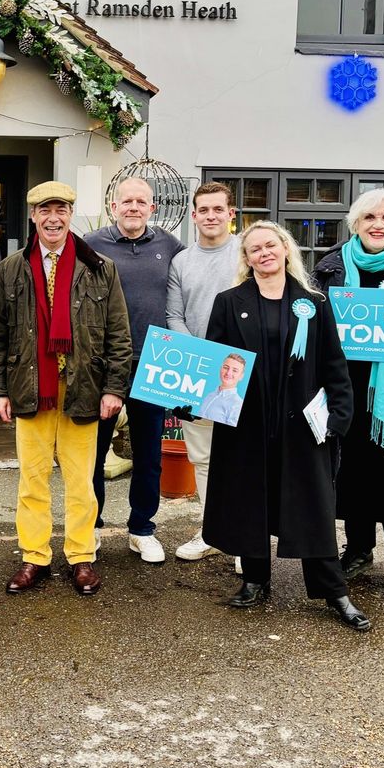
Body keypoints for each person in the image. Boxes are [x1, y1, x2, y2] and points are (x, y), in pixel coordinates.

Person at [203, 220, 370, 631]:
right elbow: (213, 361)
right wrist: (198, 399)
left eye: (270, 245)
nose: (264, 253)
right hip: (248, 424)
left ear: (285, 249)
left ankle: (334, 591)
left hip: (304, 425)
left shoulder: (313, 302)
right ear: (246, 259)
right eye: (254, 249)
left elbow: (334, 364)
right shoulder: (229, 302)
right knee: (250, 501)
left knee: (313, 508)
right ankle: (255, 580)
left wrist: (339, 417)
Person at [0, 182, 131, 596]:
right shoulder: (10, 269)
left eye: (61, 210)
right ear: (33, 216)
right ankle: (34, 558)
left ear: (71, 214)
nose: (53, 218)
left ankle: (81, 557)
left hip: (83, 388)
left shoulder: (100, 266)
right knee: (32, 480)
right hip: (29, 387)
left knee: (81, 480)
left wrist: (114, 389)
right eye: (45, 210)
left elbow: (119, 334)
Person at [315, 188, 384, 606]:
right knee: (352, 473)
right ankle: (358, 550)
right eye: (369, 218)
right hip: (346, 390)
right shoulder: (330, 267)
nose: (378, 224)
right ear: (355, 224)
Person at [85, 177, 184, 563]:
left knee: (148, 454)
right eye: (127, 201)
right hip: (102, 364)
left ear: (152, 209)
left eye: (141, 202)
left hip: (153, 363)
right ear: (114, 206)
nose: (133, 207)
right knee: (92, 452)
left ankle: (142, 528)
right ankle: (89, 526)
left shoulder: (170, 247)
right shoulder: (91, 244)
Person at [165, 182, 241, 561]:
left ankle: (244, 539)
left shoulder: (247, 253)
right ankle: (212, 530)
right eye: (203, 210)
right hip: (198, 373)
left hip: (243, 374)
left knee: (244, 457)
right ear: (193, 216)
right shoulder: (181, 262)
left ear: (231, 214)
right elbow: (173, 316)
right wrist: (202, 359)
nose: (210, 216)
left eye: (218, 210)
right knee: (204, 458)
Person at [199, 354, 246, 425]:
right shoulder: (210, 395)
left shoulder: (237, 405)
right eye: (226, 367)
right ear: (220, 369)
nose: (228, 373)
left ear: (241, 376)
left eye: (235, 370)